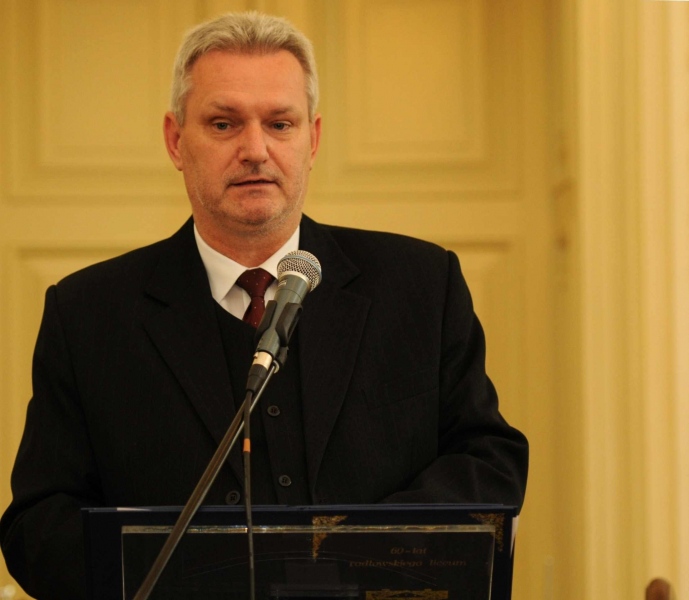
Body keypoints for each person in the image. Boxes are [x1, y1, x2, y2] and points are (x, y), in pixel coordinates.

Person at [0, 11, 528, 600]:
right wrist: (196, 577)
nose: (255, 150)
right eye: (223, 123)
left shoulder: (421, 285)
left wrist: (362, 557)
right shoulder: (87, 314)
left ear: (312, 139)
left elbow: (489, 462)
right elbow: (38, 526)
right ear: (176, 141)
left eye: (280, 123)